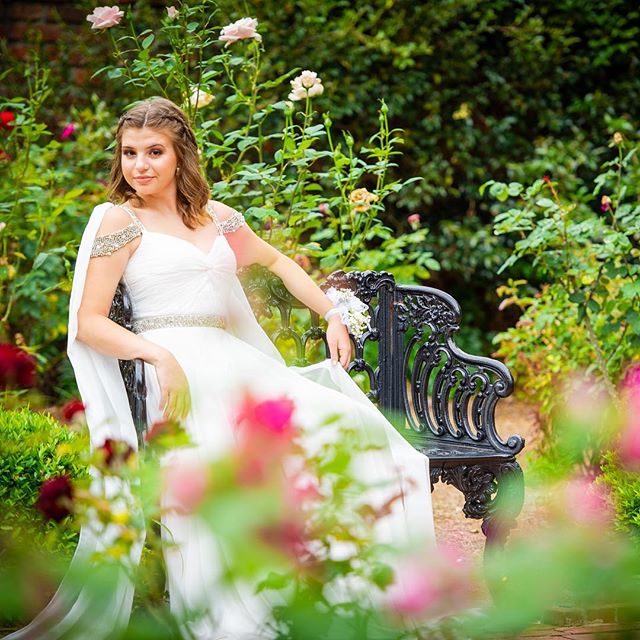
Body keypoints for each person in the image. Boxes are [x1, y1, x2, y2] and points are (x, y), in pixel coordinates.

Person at [8, 97, 435, 639]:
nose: (139, 165)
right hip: (175, 372)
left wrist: (332, 312)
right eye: (129, 153)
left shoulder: (217, 215)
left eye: (155, 152)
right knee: (231, 462)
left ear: (181, 154)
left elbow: (277, 261)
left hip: (238, 366)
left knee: (361, 433)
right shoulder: (120, 221)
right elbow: (90, 322)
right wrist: (156, 353)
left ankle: (348, 599)